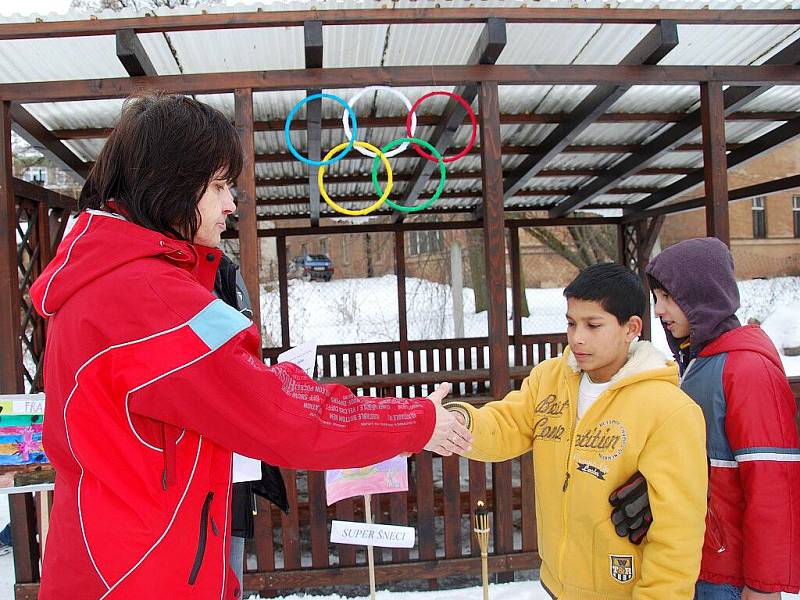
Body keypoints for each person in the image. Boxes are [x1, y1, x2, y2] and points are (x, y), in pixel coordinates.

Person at [29, 92, 471, 600]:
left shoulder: (107, 284)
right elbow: (278, 414)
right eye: (217, 186)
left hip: (115, 562)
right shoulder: (150, 299)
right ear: (168, 184)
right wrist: (413, 421)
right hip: (144, 576)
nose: (230, 205)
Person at [445, 263, 708, 599]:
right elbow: (507, 423)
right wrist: (456, 422)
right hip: (558, 584)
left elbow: (678, 532)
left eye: (593, 325)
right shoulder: (550, 379)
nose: (577, 337)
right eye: (571, 323)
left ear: (631, 328)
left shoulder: (669, 410)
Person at [643, 237, 800, 600]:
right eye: (656, 298)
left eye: (667, 298)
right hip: (694, 559)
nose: (658, 311)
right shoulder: (698, 363)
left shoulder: (746, 369)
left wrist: (763, 584)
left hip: (730, 574)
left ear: (701, 295)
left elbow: (773, 477)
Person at [213, 252, 289, 592]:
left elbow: (242, 353)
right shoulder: (167, 276)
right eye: (217, 193)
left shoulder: (224, 270)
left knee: (230, 574)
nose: (229, 206)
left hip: (233, 472)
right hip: (190, 474)